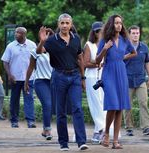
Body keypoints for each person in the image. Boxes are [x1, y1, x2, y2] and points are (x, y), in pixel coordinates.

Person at [36, 13, 89, 151]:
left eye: (67, 23)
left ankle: (81, 141)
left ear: (71, 24)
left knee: (77, 108)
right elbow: (39, 51)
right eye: (62, 23)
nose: (65, 25)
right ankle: (63, 143)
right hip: (59, 77)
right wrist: (42, 41)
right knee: (61, 111)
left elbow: (80, 59)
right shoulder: (52, 40)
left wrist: (83, 78)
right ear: (59, 25)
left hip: (75, 76)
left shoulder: (76, 39)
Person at [95, 14, 137, 149]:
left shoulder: (125, 39)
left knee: (120, 107)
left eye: (120, 22)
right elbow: (97, 60)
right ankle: (106, 133)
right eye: (116, 23)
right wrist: (105, 49)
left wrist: (123, 57)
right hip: (108, 73)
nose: (119, 25)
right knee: (113, 104)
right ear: (111, 24)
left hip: (121, 72)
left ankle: (115, 141)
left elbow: (134, 52)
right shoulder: (105, 39)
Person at [1, 26, 37, 128]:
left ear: (24, 34)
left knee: (29, 99)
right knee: (14, 99)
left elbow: (36, 60)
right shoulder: (10, 46)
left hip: (28, 78)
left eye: (19, 33)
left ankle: (30, 121)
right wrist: (9, 75)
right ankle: (14, 121)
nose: (16, 34)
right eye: (16, 32)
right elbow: (5, 61)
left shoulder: (32, 45)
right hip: (15, 78)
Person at [124, 25, 149, 136]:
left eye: (137, 33)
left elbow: (147, 62)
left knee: (143, 103)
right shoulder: (124, 47)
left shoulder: (144, 47)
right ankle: (129, 128)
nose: (136, 35)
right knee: (127, 105)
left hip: (141, 79)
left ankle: (146, 127)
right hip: (127, 80)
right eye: (133, 33)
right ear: (129, 34)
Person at [24, 29, 54, 140]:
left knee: (52, 106)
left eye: (50, 36)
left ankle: (45, 129)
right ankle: (47, 129)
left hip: (54, 82)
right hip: (41, 81)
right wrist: (26, 82)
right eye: (45, 36)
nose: (47, 38)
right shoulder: (35, 51)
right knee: (47, 104)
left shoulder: (56, 50)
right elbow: (30, 68)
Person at [83, 21, 106, 143]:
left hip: (104, 77)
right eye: (97, 31)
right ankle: (101, 128)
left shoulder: (106, 44)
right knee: (95, 104)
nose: (100, 33)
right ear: (94, 32)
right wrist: (97, 63)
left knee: (103, 104)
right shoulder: (89, 45)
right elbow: (85, 63)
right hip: (92, 77)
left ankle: (99, 131)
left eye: (101, 30)